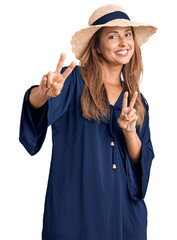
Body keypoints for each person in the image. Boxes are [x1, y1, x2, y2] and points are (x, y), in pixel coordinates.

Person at [19, 4, 157, 240]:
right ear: (97, 47)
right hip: (75, 214)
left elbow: (140, 163)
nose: (124, 43)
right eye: (113, 36)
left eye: (128, 35)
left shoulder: (136, 99)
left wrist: (129, 132)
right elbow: (37, 107)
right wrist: (43, 92)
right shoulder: (72, 82)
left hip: (124, 217)